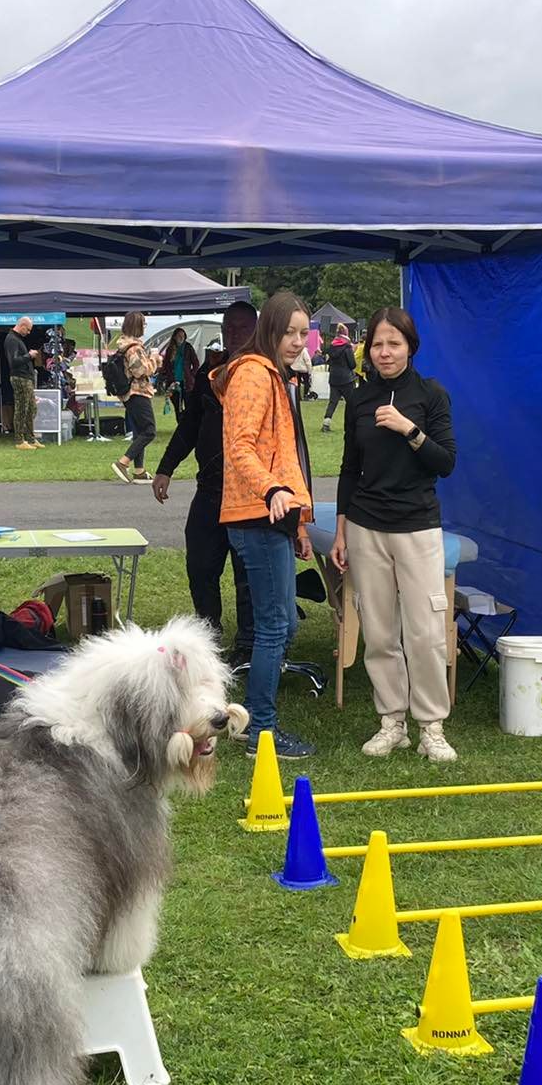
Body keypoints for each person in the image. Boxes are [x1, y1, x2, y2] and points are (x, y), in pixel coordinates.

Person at [334, 306, 458, 762]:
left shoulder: (430, 395)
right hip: (367, 526)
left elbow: (446, 462)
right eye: (378, 344)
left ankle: (431, 726)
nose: (385, 352)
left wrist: (411, 430)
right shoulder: (359, 398)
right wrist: (343, 529)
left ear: (410, 346)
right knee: (381, 631)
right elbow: (349, 469)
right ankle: (392, 722)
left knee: (424, 631)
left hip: (418, 525)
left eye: (395, 343)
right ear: (367, 347)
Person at [215, 292, 315, 759]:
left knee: (282, 625)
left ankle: (254, 720)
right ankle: (260, 732)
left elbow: (287, 456)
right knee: (275, 626)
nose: (297, 342)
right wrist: (272, 490)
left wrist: (297, 523)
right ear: (270, 329)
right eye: (290, 332)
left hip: (273, 516)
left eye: (302, 333)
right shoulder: (253, 374)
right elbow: (241, 446)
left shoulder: (276, 374)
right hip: (256, 515)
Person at [153, 301, 256, 662]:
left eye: (243, 328)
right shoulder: (213, 375)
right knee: (200, 568)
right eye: (229, 328)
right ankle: (208, 640)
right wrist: (166, 467)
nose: (235, 335)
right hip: (210, 490)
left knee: (248, 577)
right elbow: (189, 427)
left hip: (250, 497)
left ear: (256, 330)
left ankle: (248, 645)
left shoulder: (265, 374)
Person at [110, 310, 159, 483]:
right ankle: (123, 462)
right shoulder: (134, 348)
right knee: (149, 431)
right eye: (143, 323)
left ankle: (139, 471)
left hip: (128, 393)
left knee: (140, 431)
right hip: (138, 391)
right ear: (137, 326)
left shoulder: (123, 345)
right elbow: (141, 371)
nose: (145, 326)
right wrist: (155, 359)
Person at [2, 317, 41, 451]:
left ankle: (30, 438)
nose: (29, 333)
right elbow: (13, 362)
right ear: (22, 326)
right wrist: (29, 356)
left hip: (26, 377)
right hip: (20, 378)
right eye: (28, 330)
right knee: (21, 408)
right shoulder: (12, 340)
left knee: (31, 408)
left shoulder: (17, 339)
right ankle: (19, 440)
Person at [320, 320, 357, 432]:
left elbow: (329, 361)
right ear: (346, 333)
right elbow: (352, 364)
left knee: (333, 402)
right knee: (351, 402)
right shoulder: (347, 347)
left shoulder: (332, 346)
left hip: (334, 378)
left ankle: (326, 423)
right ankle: (353, 424)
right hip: (346, 379)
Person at [159, 326, 197, 419]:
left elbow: (196, 363)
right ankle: (180, 425)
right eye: (179, 336)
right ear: (175, 337)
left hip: (186, 383)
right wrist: (169, 377)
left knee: (189, 406)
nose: (181, 337)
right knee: (177, 407)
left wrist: (191, 375)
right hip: (173, 383)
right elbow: (166, 366)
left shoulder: (188, 347)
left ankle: (188, 426)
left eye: (183, 336)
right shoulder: (170, 349)